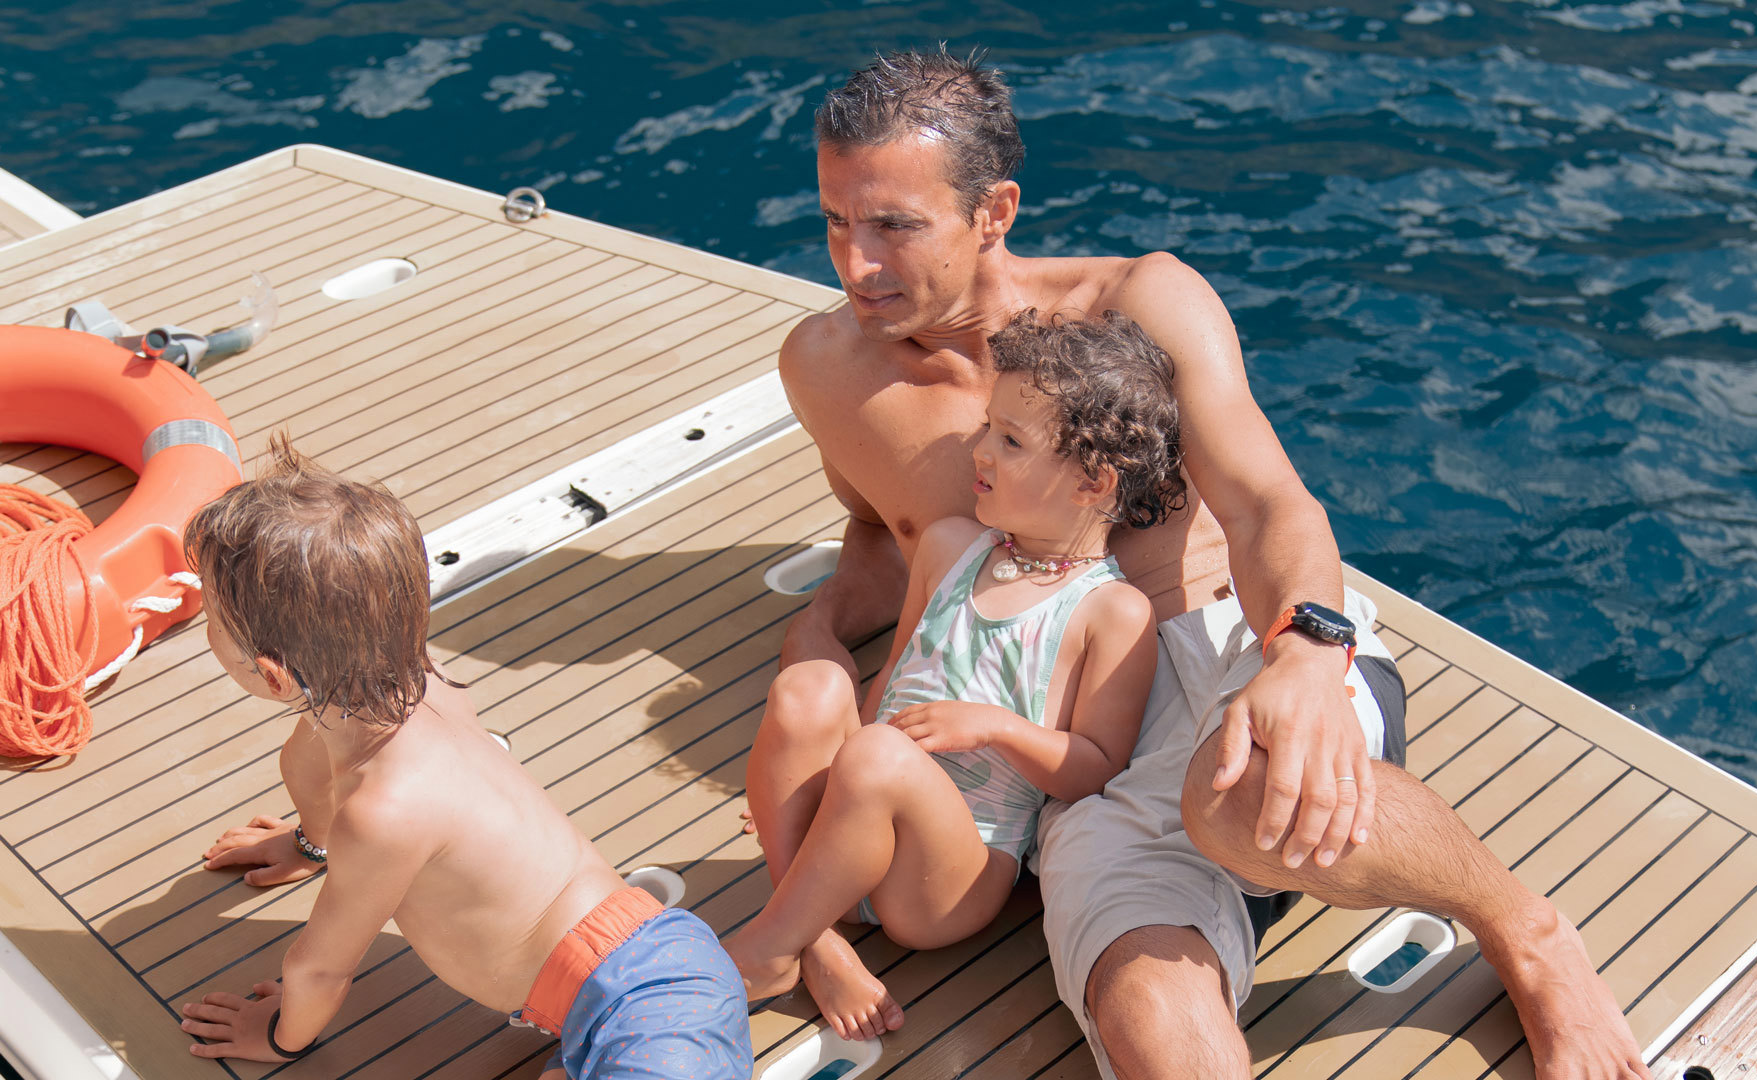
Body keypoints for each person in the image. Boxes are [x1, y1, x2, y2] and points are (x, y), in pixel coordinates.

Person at [770, 48, 1651, 1080]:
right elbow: (886, 534)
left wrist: (1306, 655)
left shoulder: (1138, 302)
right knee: (1151, 1025)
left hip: (1229, 644)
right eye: (835, 221)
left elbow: (1269, 501)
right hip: (1078, 772)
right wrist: (821, 639)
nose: (856, 264)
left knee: (1238, 794)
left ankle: (1523, 929)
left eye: (894, 226)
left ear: (994, 211)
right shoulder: (825, 367)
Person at [174, 436, 751, 1080]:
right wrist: (312, 845)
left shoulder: (382, 810)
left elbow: (318, 970)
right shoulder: (416, 682)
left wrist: (280, 1038)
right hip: (648, 971)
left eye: (212, 618)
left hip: (647, 1009)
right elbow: (306, 767)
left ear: (273, 675)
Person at [731, 312, 1170, 1039]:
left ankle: (772, 946)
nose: (979, 448)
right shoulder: (950, 547)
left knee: (877, 753)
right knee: (810, 687)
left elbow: (1095, 770)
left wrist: (996, 727)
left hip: (948, 878)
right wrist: (812, 783)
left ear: (1092, 483)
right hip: (857, 824)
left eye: (1010, 440)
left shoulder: (1110, 612)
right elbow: (892, 680)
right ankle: (817, 941)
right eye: (987, 425)